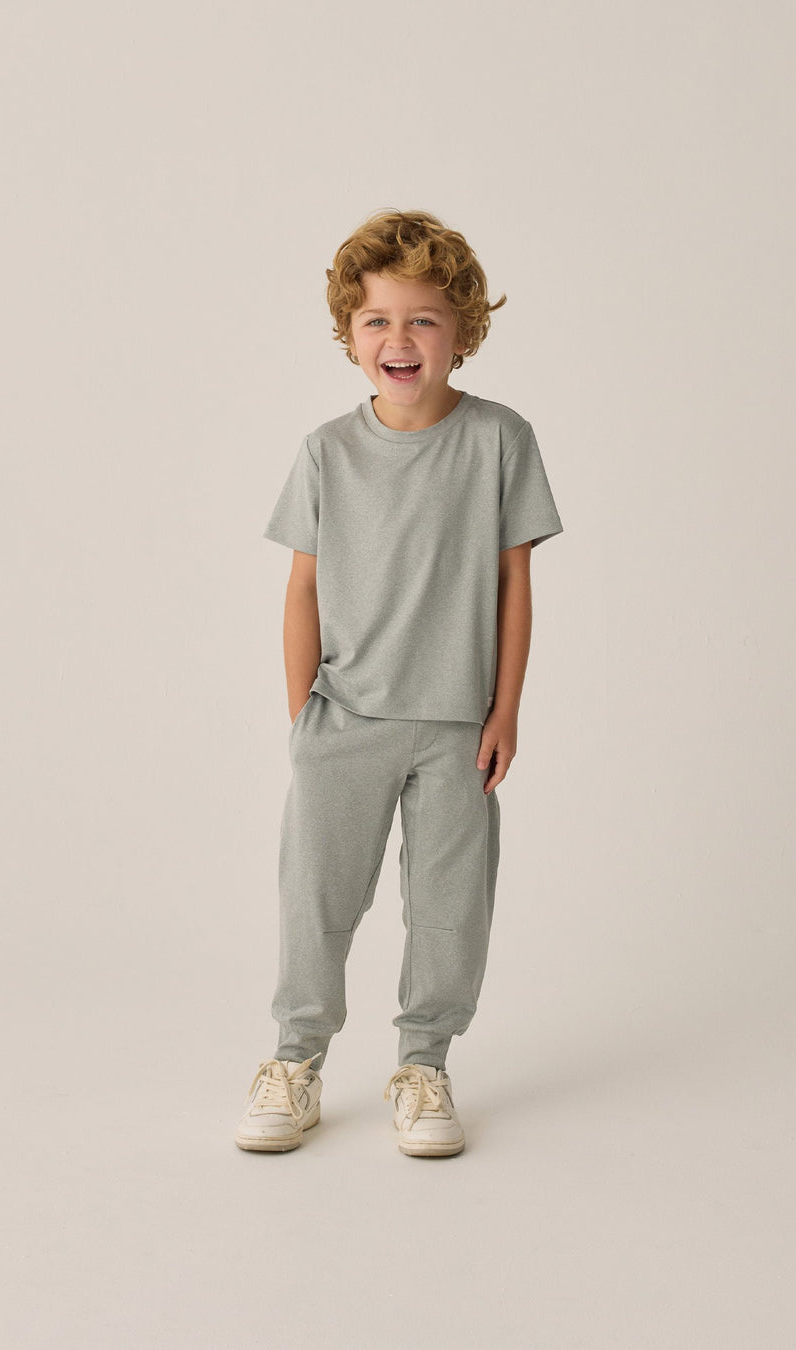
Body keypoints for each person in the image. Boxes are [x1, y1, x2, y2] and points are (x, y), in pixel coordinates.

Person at [234, 209, 564, 1157]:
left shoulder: (500, 439)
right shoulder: (326, 452)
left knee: (452, 909)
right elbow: (302, 587)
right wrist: (303, 716)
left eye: (424, 319)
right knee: (317, 900)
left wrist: (505, 709)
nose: (400, 338)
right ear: (350, 333)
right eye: (378, 320)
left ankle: (425, 1066)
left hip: (458, 725)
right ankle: (295, 1060)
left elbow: (514, 582)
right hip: (345, 719)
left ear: (462, 331)